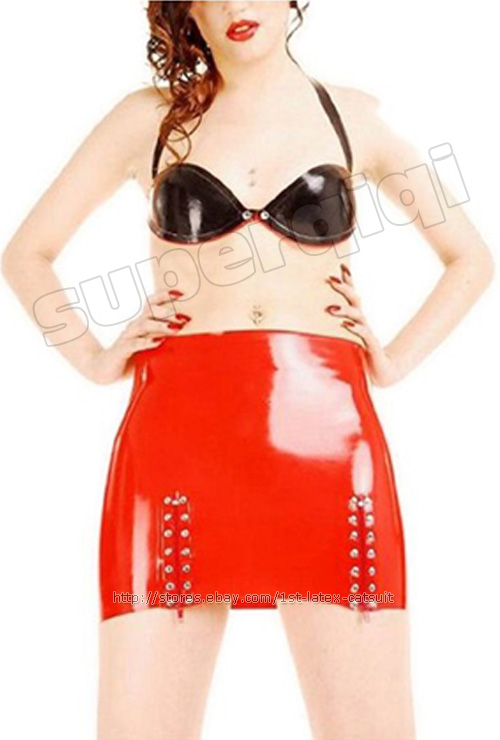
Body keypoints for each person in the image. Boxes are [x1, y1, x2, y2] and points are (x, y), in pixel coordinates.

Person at [2, 2, 494, 739]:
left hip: (329, 444)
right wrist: (95, 358)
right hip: (175, 444)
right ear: (186, 11)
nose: (235, 5)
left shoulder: (352, 119)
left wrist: (391, 360)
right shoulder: (148, 119)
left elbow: (471, 259)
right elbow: (26, 254)